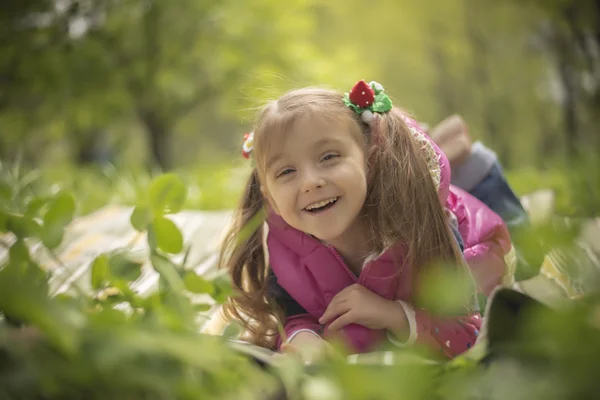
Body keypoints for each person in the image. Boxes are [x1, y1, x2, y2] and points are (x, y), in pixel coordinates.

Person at [220, 80, 515, 361]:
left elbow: (468, 332)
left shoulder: (421, 223)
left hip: (485, 237)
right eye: (286, 172)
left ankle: (474, 163)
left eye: (328, 157)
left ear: (369, 159)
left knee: (513, 228)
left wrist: (392, 314)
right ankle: (434, 143)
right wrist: (302, 338)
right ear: (269, 196)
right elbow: (297, 312)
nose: (310, 183)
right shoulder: (287, 244)